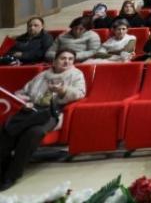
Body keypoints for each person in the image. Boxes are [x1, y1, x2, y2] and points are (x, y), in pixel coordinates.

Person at [0, 49, 86, 190]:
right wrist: (24, 100)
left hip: (52, 112)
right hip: (31, 110)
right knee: (7, 130)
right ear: (54, 61)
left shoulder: (76, 74)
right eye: (63, 58)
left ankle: (12, 175)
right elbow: (23, 92)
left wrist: (62, 91)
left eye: (70, 59)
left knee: (34, 132)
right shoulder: (42, 75)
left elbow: (80, 93)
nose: (67, 62)